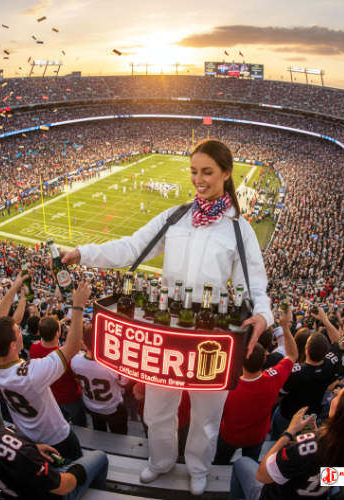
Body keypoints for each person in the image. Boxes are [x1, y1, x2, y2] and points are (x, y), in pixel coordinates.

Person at [62, 139, 273, 495]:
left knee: (207, 416)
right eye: (194, 171)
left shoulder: (239, 229)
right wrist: (83, 252)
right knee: (158, 409)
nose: (199, 179)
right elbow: (131, 247)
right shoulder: (174, 216)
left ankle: (198, 468)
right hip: (167, 334)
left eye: (207, 172)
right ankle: (160, 462)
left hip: (212, 337)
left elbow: (254, 285)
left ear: (226, 173)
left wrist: (263, 314)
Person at [229, 330, 344, 500]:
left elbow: (262, 475)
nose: (336, 393)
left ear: (341, 411)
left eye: (339, 395)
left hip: (278, 495)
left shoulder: (309, 445)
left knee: (241, 463)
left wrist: (289, 433)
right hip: (317, 490)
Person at [0, 368, 108, 500]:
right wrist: (78, 470)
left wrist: (33, 448)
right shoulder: (19, 452)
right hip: (51, 494)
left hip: (9, 487)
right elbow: (64, 485)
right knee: (99, 456)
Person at [0, 280, 90, 461]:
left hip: (27, 434)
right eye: (17, 331)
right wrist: (77, 306)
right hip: (56, 437)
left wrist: (15, 287)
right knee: (77, 466)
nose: (20, 331)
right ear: (14, 344)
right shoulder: (32, 373)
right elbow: (72, 346)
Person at [214, 308, 297, 465]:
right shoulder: (273, 379)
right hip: (256, 437)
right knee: (251, 464)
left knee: (220, 462)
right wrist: (285, 327)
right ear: (265, 359)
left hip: (230, 435)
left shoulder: (227, 386)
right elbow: (292, 355)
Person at [71, 322, 128, 434]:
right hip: (112, 409)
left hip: (91, 406)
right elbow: (124, 383)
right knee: (119, 437)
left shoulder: (74, 361)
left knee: (99, 431)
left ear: (84, 342)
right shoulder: (113, 364)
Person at [29, 315, 86, 426]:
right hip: (71, 398)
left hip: (51, 397)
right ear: (57, 333)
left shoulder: (33, 348)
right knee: (80, 423)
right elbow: (78, 379)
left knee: (61, 420)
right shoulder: (67, 356)